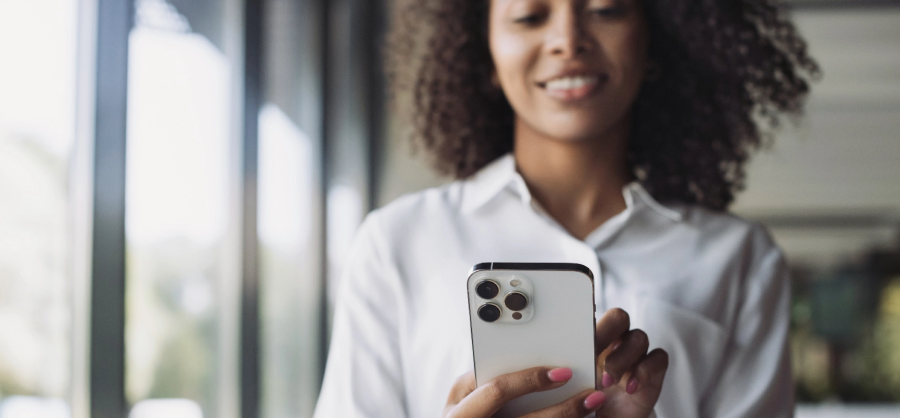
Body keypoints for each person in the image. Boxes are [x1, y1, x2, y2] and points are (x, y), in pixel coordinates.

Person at [313, 0, 818, 416]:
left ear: (657, 37)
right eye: (530, 16)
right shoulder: (398, 241)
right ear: (484, 49)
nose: (567, 39)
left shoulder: (740, 259)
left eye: (606, 9)